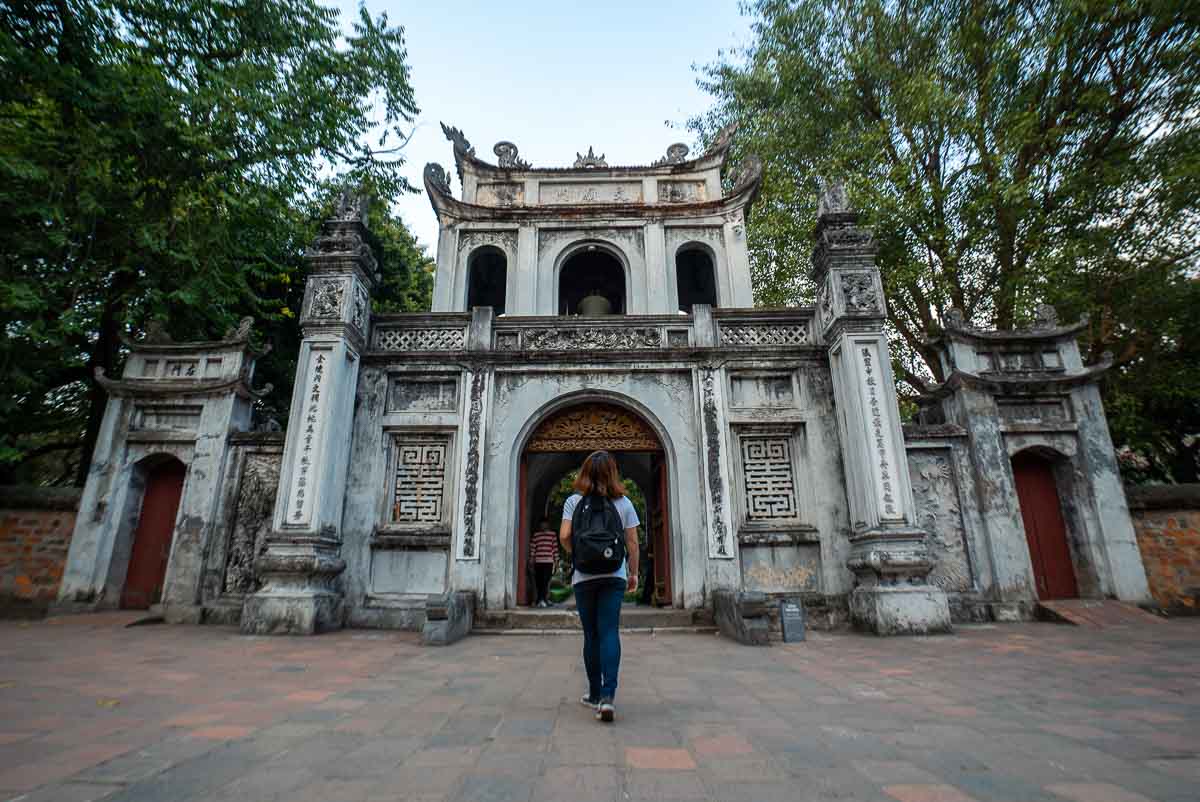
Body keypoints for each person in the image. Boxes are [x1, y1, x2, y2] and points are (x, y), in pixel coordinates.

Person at [559, 450, 639, 723]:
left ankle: (593, 694)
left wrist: (579, 554)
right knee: (609, 632)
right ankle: (608, 697)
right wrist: (633, 573)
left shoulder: (573, 501)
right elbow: (632, 543)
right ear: (613, 473)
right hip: (614, 574)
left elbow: (565, 536)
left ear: (583, 473)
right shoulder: (624, 503)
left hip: (584, 577)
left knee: (591, 635)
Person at [529, 517, 559, 608]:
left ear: (548, 525)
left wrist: (556, 560)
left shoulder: (552, 534)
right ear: (540, 525)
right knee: (539, 581)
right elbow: (533, 547)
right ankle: (540, 600)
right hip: (538, 561)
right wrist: (531, 559)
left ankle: (544, 599)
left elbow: (555, 548)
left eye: (545, 524)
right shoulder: (536, 535)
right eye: (542, 524)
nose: (543, 525)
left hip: (549, 561)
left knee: (546, 581)